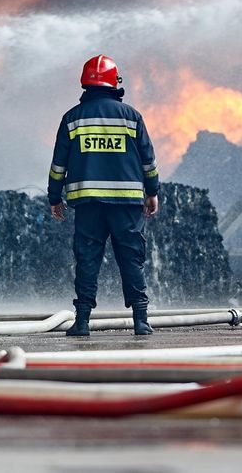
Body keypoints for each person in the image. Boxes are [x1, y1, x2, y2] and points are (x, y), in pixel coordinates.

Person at [47, 54, 160, 336]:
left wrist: (54, 197)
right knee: (132, 259)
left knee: (87, 260)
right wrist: (153, 192)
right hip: (127, 205)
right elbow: (148, 160)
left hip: (88, 205)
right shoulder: (132, 117)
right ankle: (141, 321)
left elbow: (58, 164)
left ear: (85, 83)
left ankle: (82, 322)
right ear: (114, 82)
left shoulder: (72, 118)